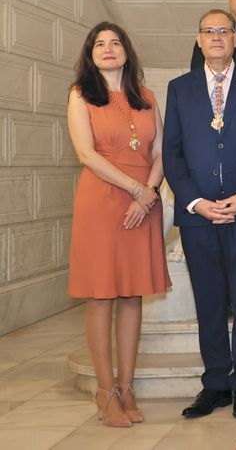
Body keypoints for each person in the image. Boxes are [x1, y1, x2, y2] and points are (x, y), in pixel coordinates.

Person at [163, 9, 236, 420]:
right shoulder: (180, 88)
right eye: (208, 31)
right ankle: (215, 383)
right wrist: (195, 201)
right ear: (199, 40)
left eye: (224, 31)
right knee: (209, 301)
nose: (216, 37)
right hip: (198, 216)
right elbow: (172, 152)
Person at [67, 21, 171, 427]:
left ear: (127, 50)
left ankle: (127, 388)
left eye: (115, 42)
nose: (108, 48)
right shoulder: (81, 95)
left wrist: (149, 192)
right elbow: (86, 154)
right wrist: (135, 190)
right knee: (101, 296)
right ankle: (105, 391)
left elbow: (161, 151)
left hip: (144, 201)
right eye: (99, 44)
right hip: (103, 199)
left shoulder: (146, 96)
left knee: (132, 295)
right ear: (90, 54)